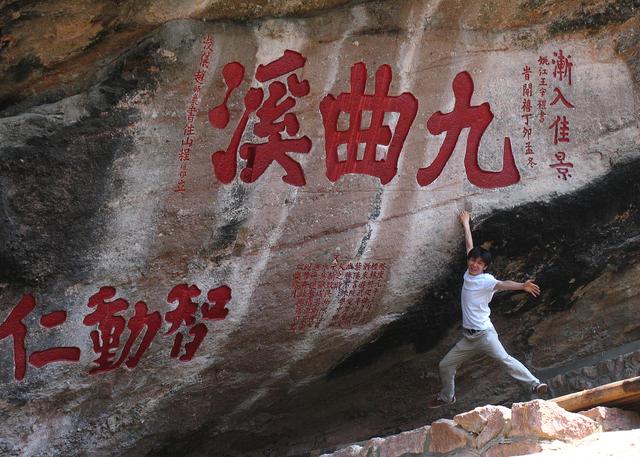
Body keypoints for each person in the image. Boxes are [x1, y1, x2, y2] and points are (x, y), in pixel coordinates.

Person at [427, 210, 548, 408]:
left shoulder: (486, 280)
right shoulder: (469, 272)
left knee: (505, 360)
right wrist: (466, 223)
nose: (475, 264)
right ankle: (447, 396)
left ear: (485, 267)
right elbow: (470, 247)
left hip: (485, 335)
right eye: (473, 261)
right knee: (445, 365)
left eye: (480, 263)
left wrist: (521, 286)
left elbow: (502, 284)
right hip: (469, 338)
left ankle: (535, 384)